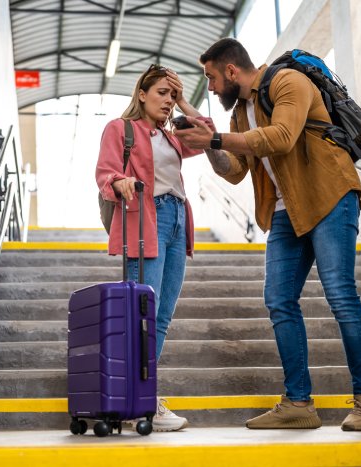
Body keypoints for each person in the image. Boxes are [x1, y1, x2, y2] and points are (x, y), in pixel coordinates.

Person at [174, 38, 361, 431]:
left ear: (231, 71)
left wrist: (215, 138)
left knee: (340, 294)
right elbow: (235, 169)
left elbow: (282, 137)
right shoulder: (240, 112)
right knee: (278, 300)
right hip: (286, 210)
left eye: (212, 78)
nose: (212, 87)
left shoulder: (287, 81)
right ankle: (299, 402)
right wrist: (205, 138)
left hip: (329, 196)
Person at [95, 64, 205, 432]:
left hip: (176, 221)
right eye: (162, 93)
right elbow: (105, 174)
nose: (168, 102)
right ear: (141, 94)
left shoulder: (173, 136)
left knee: (163, 316)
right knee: (139, 315)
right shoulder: (121, 129)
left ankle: (139, 395)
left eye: (173, 96)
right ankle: (139, 398)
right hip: (145, 217)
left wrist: (186, 102)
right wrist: (120, 181)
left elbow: (207, 135)